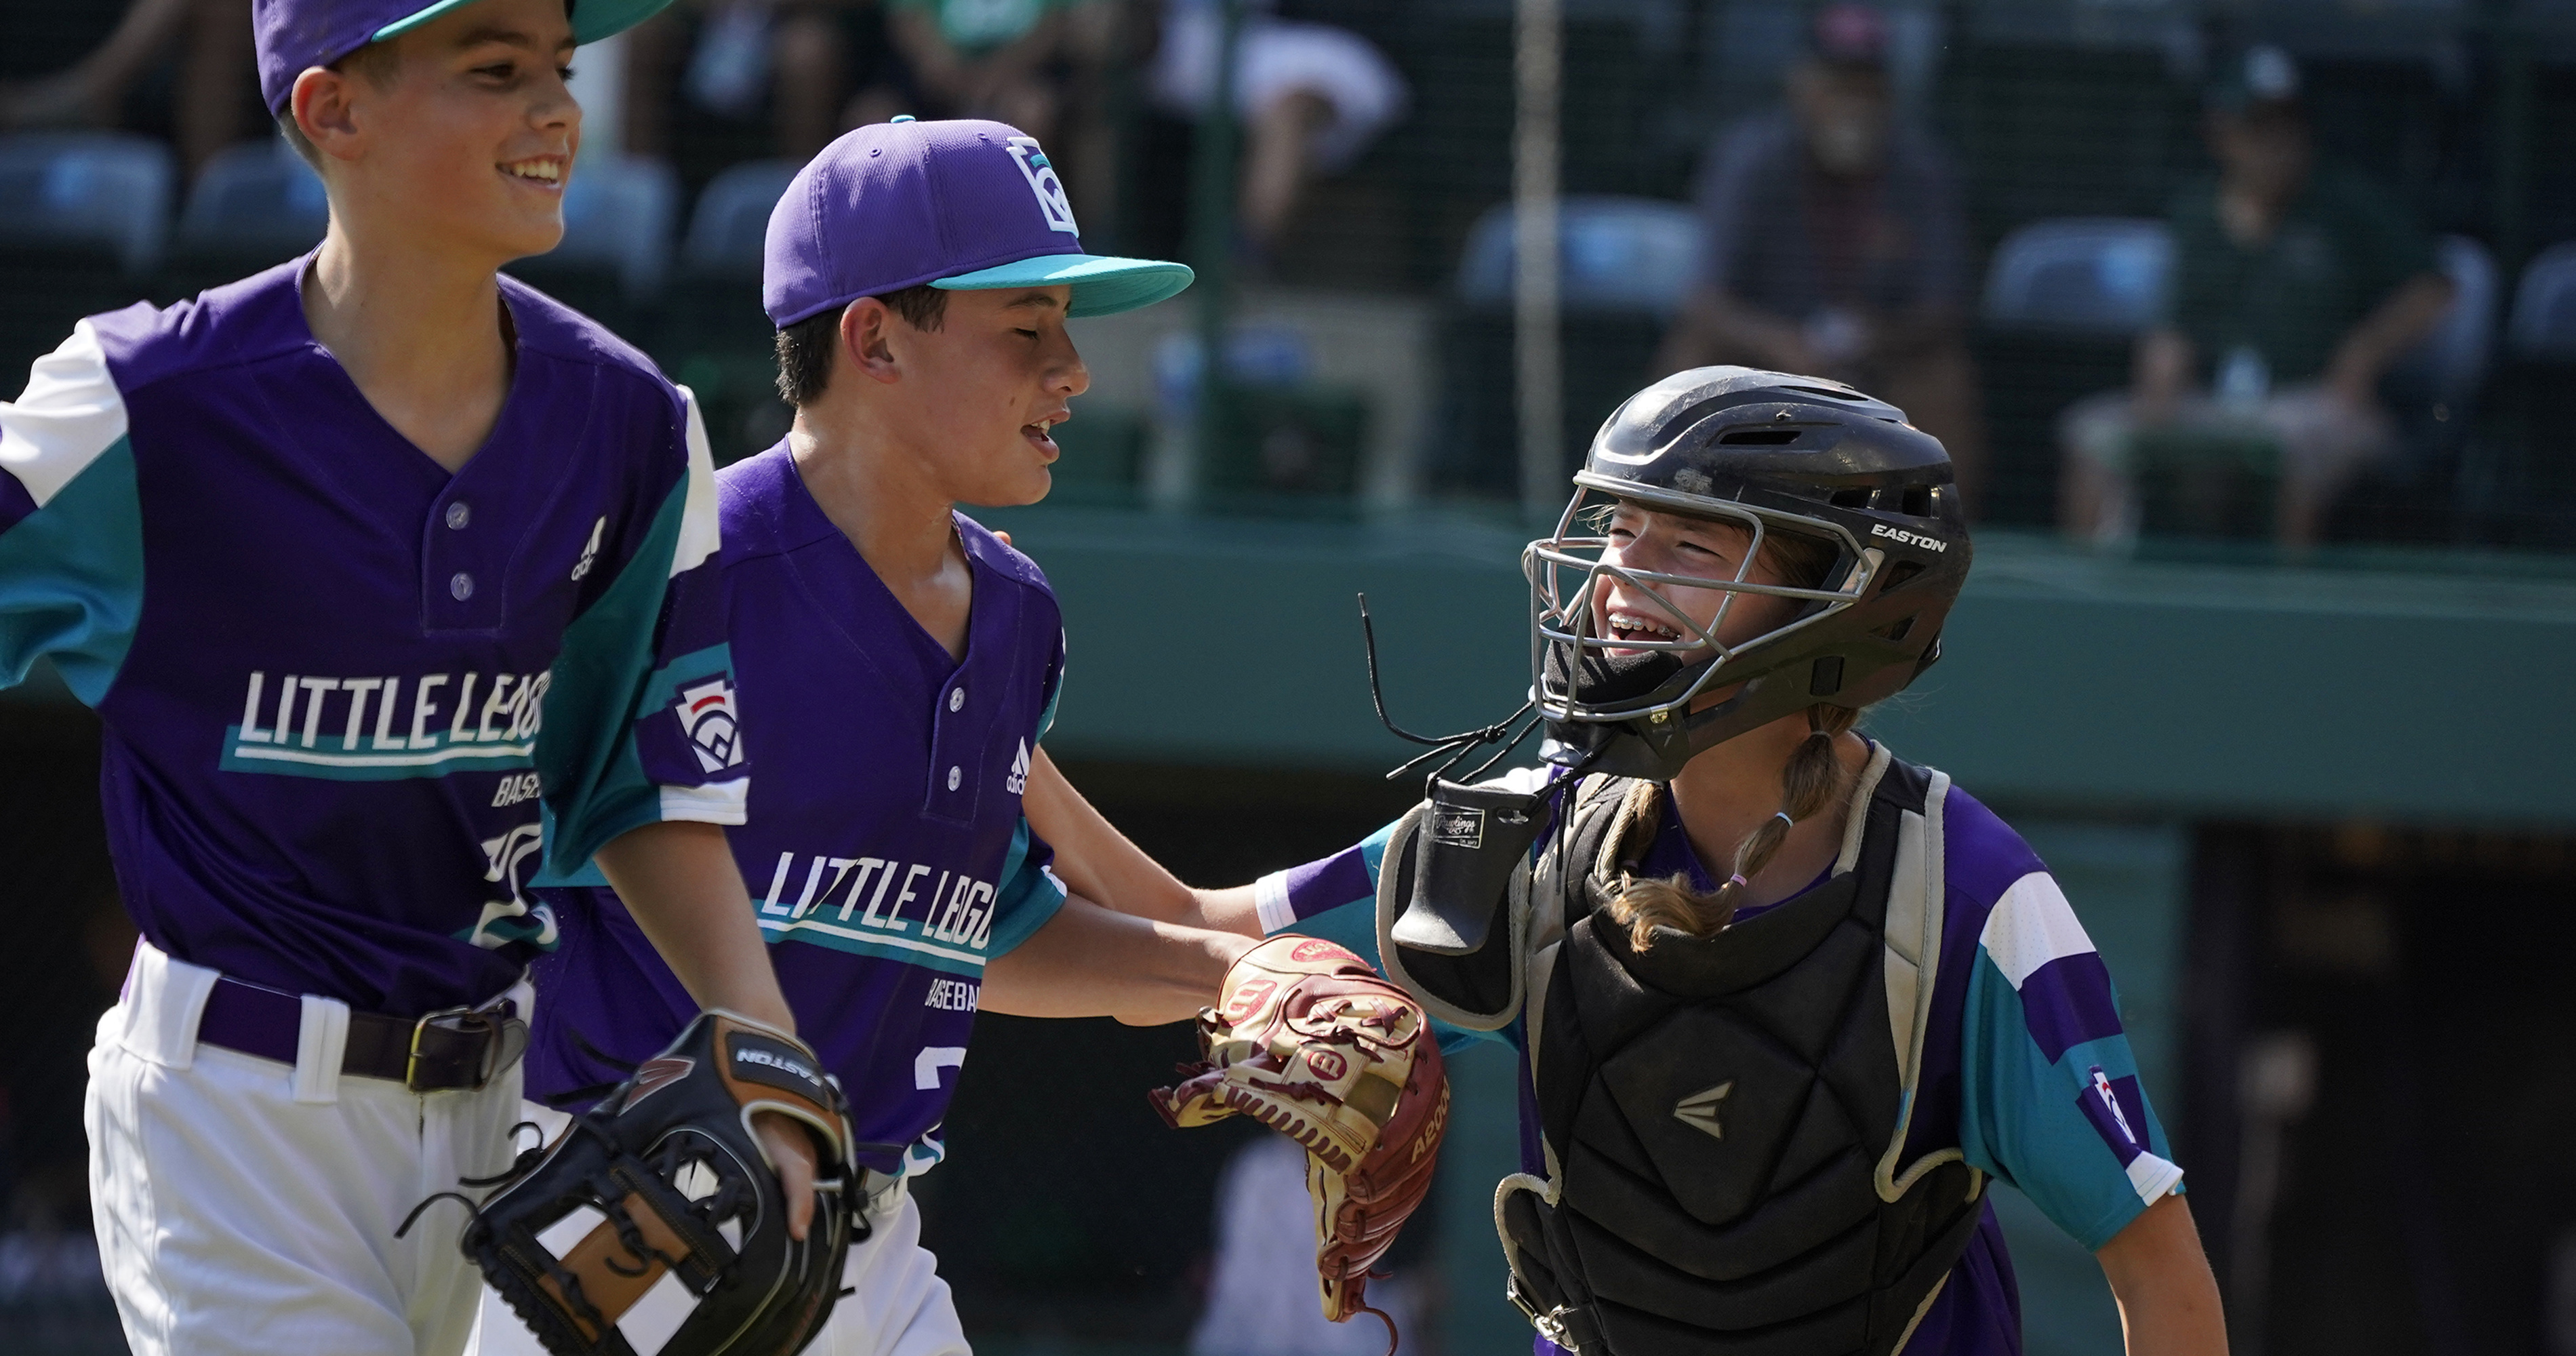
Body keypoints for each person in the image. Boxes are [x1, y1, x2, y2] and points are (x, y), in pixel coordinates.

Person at [470, 117, 1389, 1356]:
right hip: (638, 1221)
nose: (1072, 368)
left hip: (872, 1238)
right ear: (873, 338)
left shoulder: (1017, 616)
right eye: (1026, 327)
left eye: (1067, 325)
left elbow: (982, 933)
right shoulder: (678, 564)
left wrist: (1229, 977)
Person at [0, 0, 829, 1352]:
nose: (556, 110)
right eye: (495, 73)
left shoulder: (630, 424)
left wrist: (768, 1054)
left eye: (559, 70)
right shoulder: (148, 400)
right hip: (235, 1109)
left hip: (500, 1119)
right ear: (334, 112)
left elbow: (642, 784)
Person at [1151, 369, 2229, 1354]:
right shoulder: (1532, 842)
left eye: (1690, 548)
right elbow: (1177, 925)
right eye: (1619, 530)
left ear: (1841, 607)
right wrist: (1001, 788)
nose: (1621, 579)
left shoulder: (1970, 896)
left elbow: (2158, 1265)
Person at [2058, 44, 2456, 549]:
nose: (2277, 144)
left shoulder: (2346, 203)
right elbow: (2172, 330)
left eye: (2287, 125)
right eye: (2259, 127)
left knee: (2291, 448)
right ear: (2221, 135)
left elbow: (2434, 289)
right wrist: (2158, 382)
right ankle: (2098, 602)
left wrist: (2362, 354)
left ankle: (2285, 612)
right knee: (2094, 435)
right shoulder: (2196, 213)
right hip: (2213, 402)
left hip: (2315, 402)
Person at [1657, 3, 1986, 509]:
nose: (1851, 105)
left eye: (1864, 88)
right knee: (1692, 354)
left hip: (1879, 358)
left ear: (1889, 94)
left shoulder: (1921, 168)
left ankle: (1944, 535)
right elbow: (1707, 299)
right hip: (1763, 356)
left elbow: (1945, 307)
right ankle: (1667, 507)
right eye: (1836, 87)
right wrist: (1781, 343)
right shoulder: (1751, 158)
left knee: (1945, 377)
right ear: (1802, 86)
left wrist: (1876, 337)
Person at [1145, 0, 1407, 268]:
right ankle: (1105, 253)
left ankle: (1240, 260)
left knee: (1293, 108)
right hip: (1171, 44)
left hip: (1266, 38)